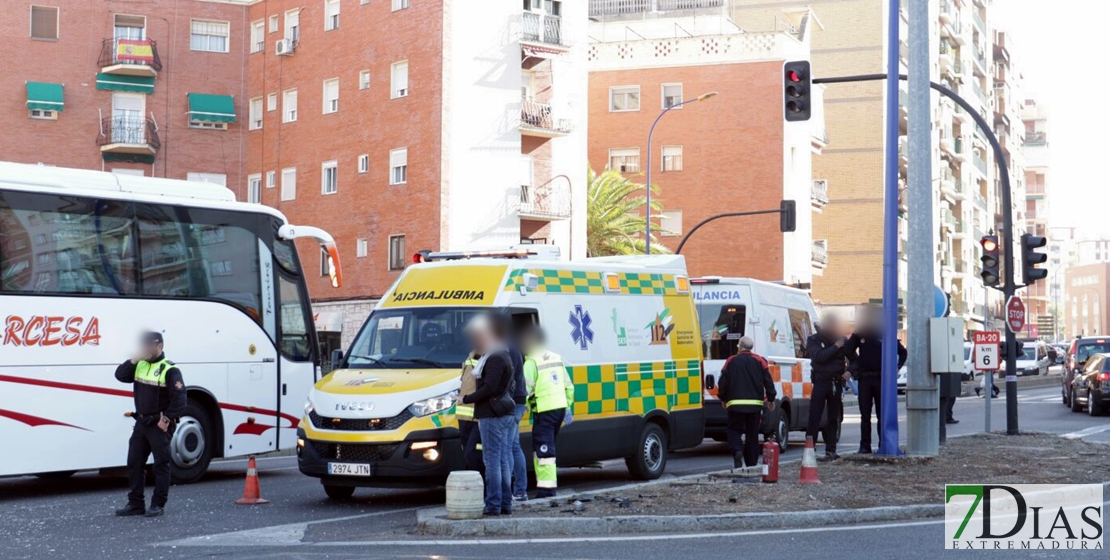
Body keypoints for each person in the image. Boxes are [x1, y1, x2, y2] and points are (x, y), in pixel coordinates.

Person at [113, 331, 186, 518]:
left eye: (149, 346)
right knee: (134, 463)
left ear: (160, 346)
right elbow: (120, 375)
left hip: (158, 424)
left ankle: (158, 504)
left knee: (161, 465)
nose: (146, 349)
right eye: (143, 346)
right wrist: (135, 358)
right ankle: (135, 503)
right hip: (141, 422)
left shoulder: (170, 369)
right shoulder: (140, 364)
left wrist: (166, 420)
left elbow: (180, 400)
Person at [460, 314, 517, 516]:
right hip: (502, 413)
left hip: (492, 415)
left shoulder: (494, 358)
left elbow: (490, 387)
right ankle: (504, 503)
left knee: (492, 461)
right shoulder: (502, 354)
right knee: (501, 459)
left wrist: (467, 399)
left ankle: (493, 504)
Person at [519, 325, 574, 498]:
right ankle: (545, 486)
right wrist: (566, 406)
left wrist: (522, 409)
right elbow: (569, 386)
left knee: (544, 451)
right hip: (558, 409)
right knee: (545, 448)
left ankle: (547, 490)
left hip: (544, 411)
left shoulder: (531, 362)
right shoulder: (556, 357)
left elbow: (524, 391)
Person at [845, 307, 907, 454]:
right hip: (865, 379)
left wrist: (897, 367)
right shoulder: (861, 334)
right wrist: (857, 360)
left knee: (881, 414)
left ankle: (882, 444)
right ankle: (864, 446)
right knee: (865, 414)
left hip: (881, 379)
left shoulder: (885, 333)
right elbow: (847, 349)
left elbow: (903, 352)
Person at [716, 336, 776, 469]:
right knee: (752, 435)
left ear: (740, 347)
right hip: (755, 406)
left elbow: (723, 382)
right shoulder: (760, 361)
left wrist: (723, 398)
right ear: (751, 348)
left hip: (735, 405)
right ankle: (751, 464)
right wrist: (771, 399)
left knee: (733, 431)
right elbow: (768, 382)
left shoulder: (731, 361)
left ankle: (737, 450)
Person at [806, 315, 850, 461]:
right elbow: (819, 357)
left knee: (833, 418)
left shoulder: (843, 340)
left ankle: (831, 450)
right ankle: (809, 450)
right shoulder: (814, 340)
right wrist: (835, 347)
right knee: (814, 417)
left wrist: (850, 371)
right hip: (820, 382)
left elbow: (855, 359)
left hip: (835, 383)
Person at [504, 318, 529, 502]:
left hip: (513, 402)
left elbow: (508, 379)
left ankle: (517, 491)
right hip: (518, 401)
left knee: (509, 447)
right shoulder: (512, 346)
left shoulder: (508, 349)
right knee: (513, 446)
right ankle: (520, 490)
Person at [456, 350, 484, 474]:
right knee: (466, 452)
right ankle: (472, 484)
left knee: (473, 452)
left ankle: (479, 483)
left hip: (479, 416)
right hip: (464, 415)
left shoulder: (490, 357)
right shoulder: (470, 356)